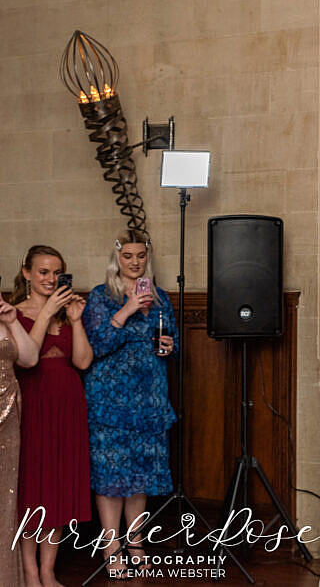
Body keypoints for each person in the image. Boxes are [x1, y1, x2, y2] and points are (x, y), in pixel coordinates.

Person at [82, 231, 178, 575]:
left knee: (140, 476)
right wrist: (127, 309)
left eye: (140, 256)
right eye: (128, 257)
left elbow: (173, 339)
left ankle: (135, 541)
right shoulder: (100, 296)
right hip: (110, 399)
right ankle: (111, 547)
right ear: (117, 258)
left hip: (149, 397)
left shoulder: (161, 298)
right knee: (111, 476)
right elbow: (98, 344)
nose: (135, 262)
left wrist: (168, 346)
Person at [10, 246, 92, 587]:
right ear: (27, 273)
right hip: (33, 404)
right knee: (32, 486)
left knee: (57, 485)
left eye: (57, 272)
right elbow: (25, 357)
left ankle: (48, 569)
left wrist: (74, 320)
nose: (51, 279)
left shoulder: (66, 313)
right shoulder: (13, 314)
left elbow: (84, 362)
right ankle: (29, 571)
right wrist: (47, 312)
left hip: (68, 405)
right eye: (43, 272)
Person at [0, 295, 40, 587]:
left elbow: (29, 358)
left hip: (9, 412)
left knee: (6, 496)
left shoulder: (5, 316)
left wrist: (12, 322)